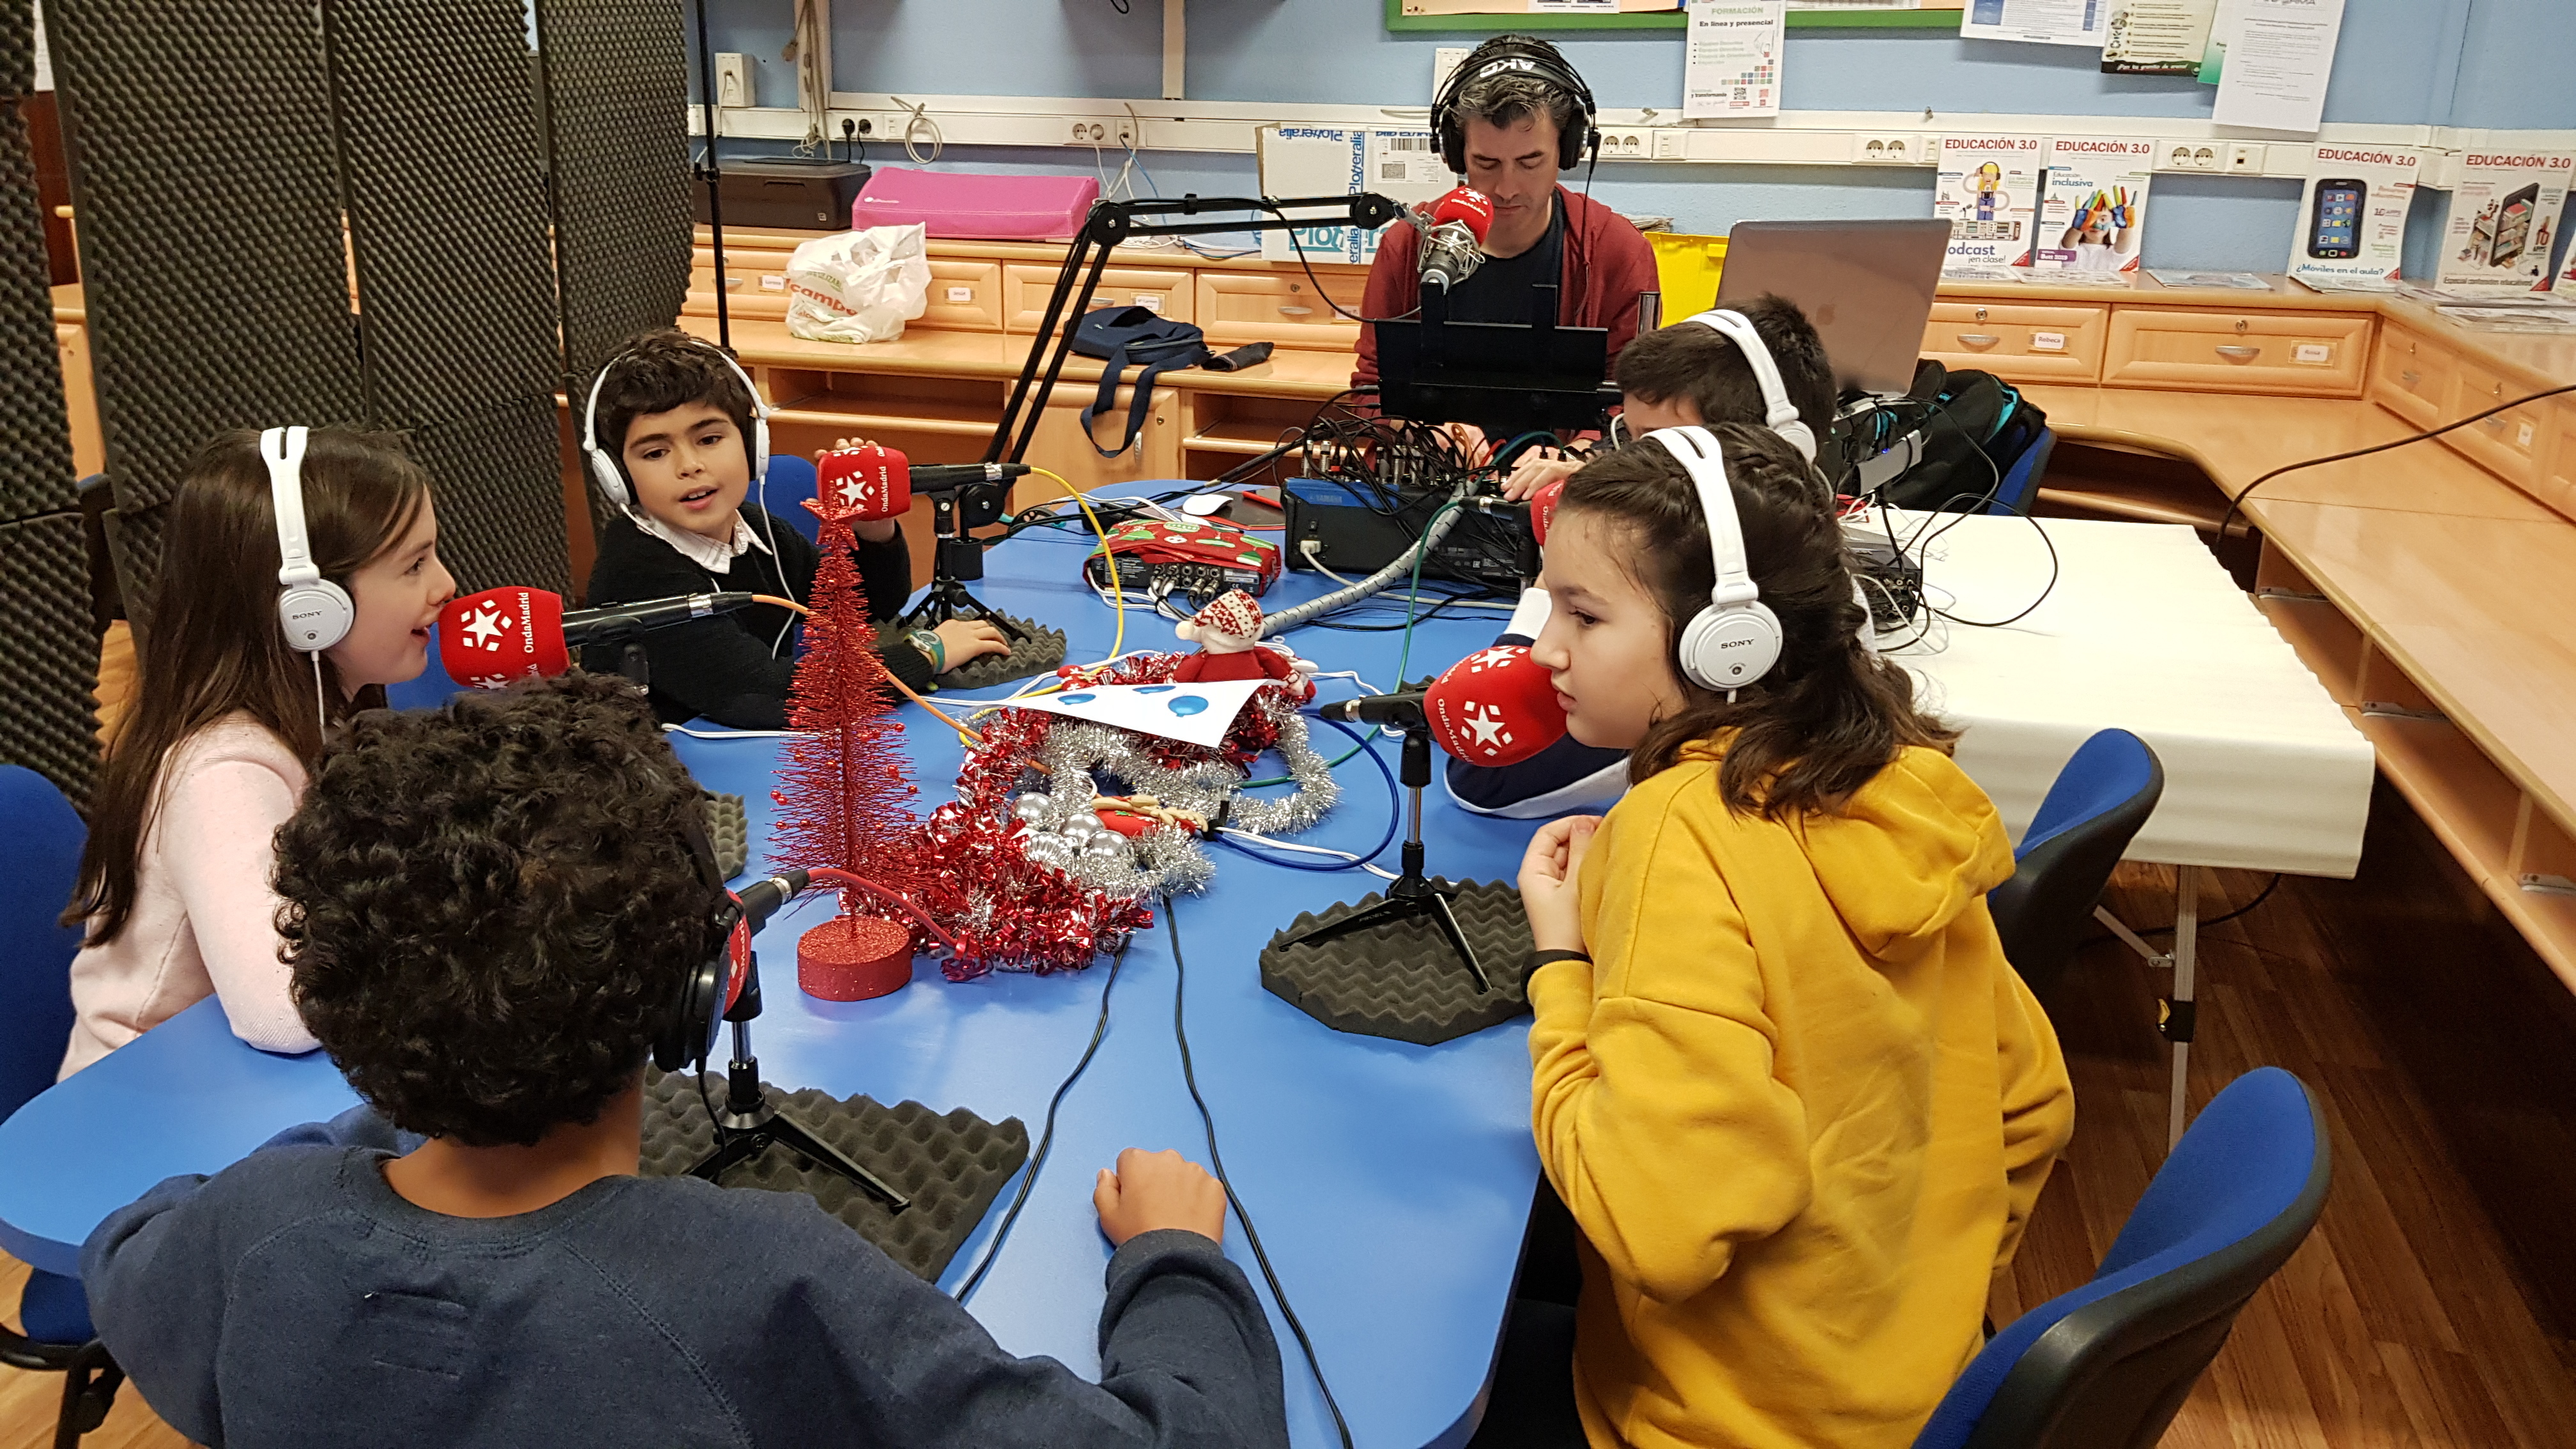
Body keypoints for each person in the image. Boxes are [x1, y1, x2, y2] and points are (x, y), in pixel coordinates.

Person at [81, 673, 1289, 1449]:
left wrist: (390, 1106)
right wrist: (1173, 1262)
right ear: (701, 990)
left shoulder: (259, 1231)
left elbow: (129, 1245)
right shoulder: (763, 1285)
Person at [1485, 425, 2074, 1449]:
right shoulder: (1904, 787)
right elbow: (2033, 1107)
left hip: (1716, 1423)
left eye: (1584, 613)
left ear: (1729, 642)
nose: (1545, 650)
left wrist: (1562, 966)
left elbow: (1658, 1229)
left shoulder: (1677, 831)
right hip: (1911, 1393)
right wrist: (1916, 1301)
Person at [57, 427, 454, 1078]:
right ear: (308, 608)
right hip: (155, 1096)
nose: (445, 585)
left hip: (250, 1079)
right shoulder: (220, 772)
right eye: (414, 566)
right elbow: (285, 1010)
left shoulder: (330, 714)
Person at [1452, 296, 1839, 820]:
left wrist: (1555, 584)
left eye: (1664, 448)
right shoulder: (1795, 575)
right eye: (1630, 443)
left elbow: (1484, 776)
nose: (1635, 465)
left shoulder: (1705, 639)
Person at [581, 328, 1008, 728]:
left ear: (752, 443)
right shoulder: (640, 574)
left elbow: (863, 606)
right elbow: (765, 695)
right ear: (617, 475)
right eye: (655, 453)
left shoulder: (752, 527)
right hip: (660, 768)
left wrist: (871, 527)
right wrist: (926, 654)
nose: (689, 466)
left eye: (709, 440)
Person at [1352, 33, 1659, 448]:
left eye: (1530, 162)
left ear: (1569, 149)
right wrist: (1423, 435)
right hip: (1439, 473)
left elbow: (1635, 403)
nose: (1507, 188)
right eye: (1486, 163)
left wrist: (1580, 455)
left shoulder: (1617, 251)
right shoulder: (1407, 244)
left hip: (1565, 483)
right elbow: (1372, 388)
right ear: (1456, 153)